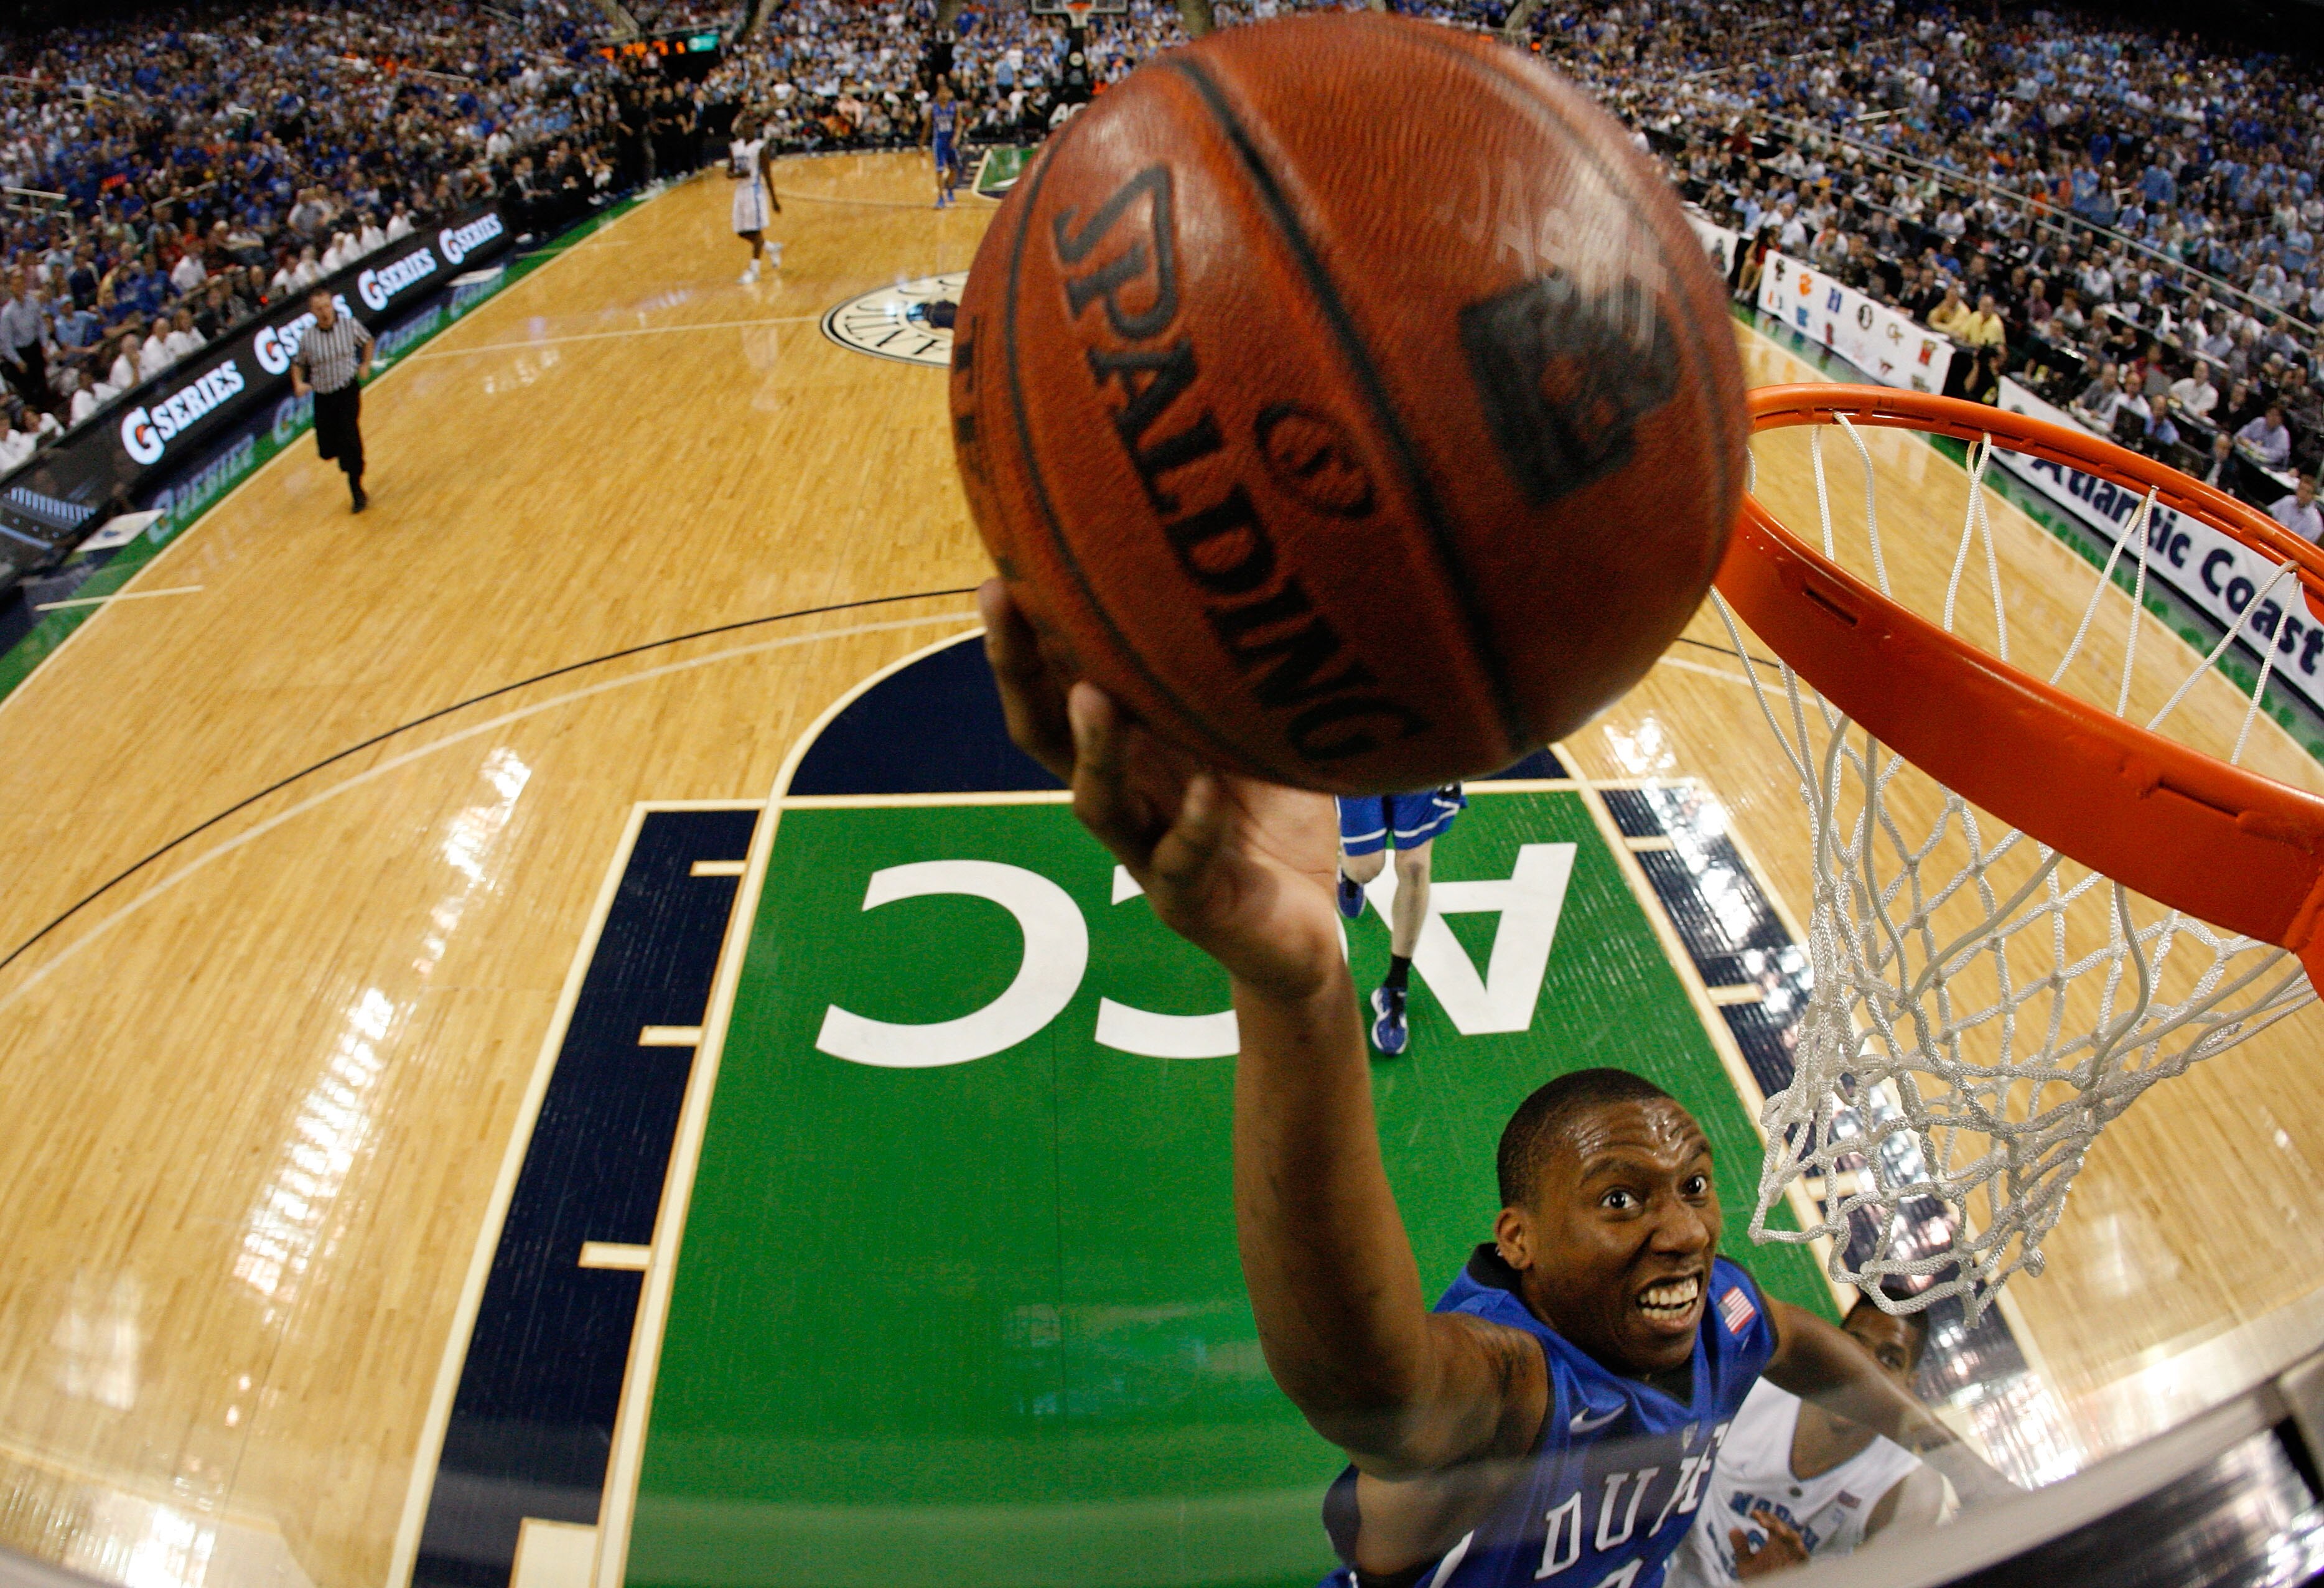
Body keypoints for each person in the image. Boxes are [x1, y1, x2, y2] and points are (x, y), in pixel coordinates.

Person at [976, 580, 2007, 1588]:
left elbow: (1804, 1342)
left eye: (1692, 1185)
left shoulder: (1716, 1319)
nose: (1688, 1228)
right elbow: (1371, 1387)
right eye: (1621, 1198)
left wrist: (1950, 1455)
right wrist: (1295, 989)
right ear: (1517, 1241)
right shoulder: (1518, 1391)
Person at [1666, 1287, 1949, 1585]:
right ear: (1831, 1346)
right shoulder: (1752, 1389)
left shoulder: (1906, 1488)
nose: (1865, 1373)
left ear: (1910, 1385)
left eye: (1890, 1361)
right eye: (1854, 1346)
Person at [1335, 784, 1467, 1056]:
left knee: (1415, 866)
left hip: (1423, 756)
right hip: (1359, 758)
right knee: (1365, 868)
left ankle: (1395, 986)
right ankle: (1349, 872)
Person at [289, 287, 373, 513]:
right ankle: (346, 456)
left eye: (327, 306)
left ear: (333, 305)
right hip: (323, 396)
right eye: (319, 309)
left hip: (347, 390)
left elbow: (367, 341)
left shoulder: (349, 325)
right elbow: (298, 363)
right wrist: (298, 383)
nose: (325, 312)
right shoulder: (308, 338)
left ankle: (357, 488)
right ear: (312, 312)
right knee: (326, 450)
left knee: (349, 436)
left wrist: (365, 364)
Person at [728, 112, 783, 285]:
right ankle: (770, 248)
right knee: (741, 231)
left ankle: (754, 270)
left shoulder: (760, 148)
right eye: (745, 127)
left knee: (756, 231)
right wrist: (737, 174)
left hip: (754, 191)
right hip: (740, 191)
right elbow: (728, 172)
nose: (748, 129)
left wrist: (774, 199)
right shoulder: (735, 147)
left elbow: (768, 175)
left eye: (751, 126)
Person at [926, 78, 961, 210]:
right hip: (939, 142)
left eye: (946, 92)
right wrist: (921, 145)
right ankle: (940, 198)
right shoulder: (933, 109)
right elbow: (927, 127)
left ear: (950, 94)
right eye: (941, 92)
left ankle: (950, 189)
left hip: (951, 142)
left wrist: (957, 137)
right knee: (940, 170)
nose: (944, 95)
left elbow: (959, 125)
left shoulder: (955, 107)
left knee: (954, 169)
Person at [2269, 475, 2323, 545]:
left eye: (2308, 492)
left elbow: (2303, 546)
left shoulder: (2315, 522)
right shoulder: (2287, 501)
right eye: (2302, 489)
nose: (2303, 494)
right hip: (2271, 539)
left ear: (2313, 496)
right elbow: (2267, 514)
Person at [2237, 404, 2293, 470]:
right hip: (2246, 458)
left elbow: (2275, 456)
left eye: (2277, 416)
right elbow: (2239, 436)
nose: (2273, 418)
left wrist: (2251, 446)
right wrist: (2243, 441)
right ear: (2266, 414)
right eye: (2271, 414)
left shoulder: (2283, 435)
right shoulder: (2258, 422)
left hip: (2269, 467)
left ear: (2281, 420)